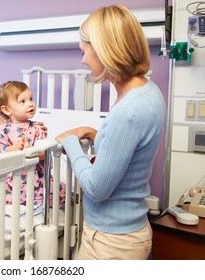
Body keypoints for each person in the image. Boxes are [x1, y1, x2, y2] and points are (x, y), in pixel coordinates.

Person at [55, 5, 166, 260]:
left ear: (105, 50)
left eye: (84, 51)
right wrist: (97, 135)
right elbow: (131, 147)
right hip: (127, 232)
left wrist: (71, 143)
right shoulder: (148, 91)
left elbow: (96, 188)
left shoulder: (128, 111)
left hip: (112, 243)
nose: (83, 60)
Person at [0, 81, 67, 209]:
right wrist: (12, 149)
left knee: (58, 189)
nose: (30, 103)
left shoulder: (37, 128)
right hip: (11, 181)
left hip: (37, 178)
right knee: (1, 194)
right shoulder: (1, 131)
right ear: (7, 109)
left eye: (31, 99)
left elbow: (44, 154)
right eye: (22, 101)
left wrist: (32, 150)